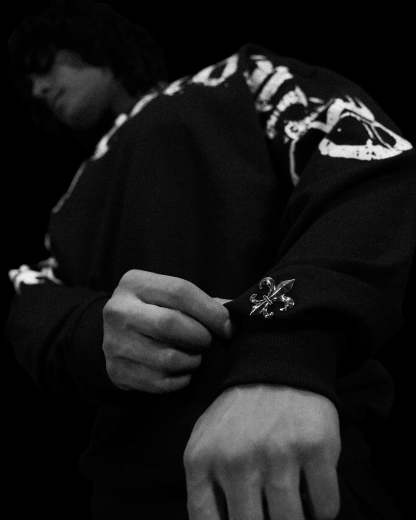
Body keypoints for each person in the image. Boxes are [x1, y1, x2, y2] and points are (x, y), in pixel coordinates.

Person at [6, 1, 415, 519]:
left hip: (296, 474)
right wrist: (91, 331)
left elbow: (365, 155)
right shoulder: (70, 197)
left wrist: (285, 355)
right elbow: (31, 299)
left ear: (96, 49)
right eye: (30, 83)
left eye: (46, 65)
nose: (39, 89)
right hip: (123, 493)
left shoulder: (234, 79)